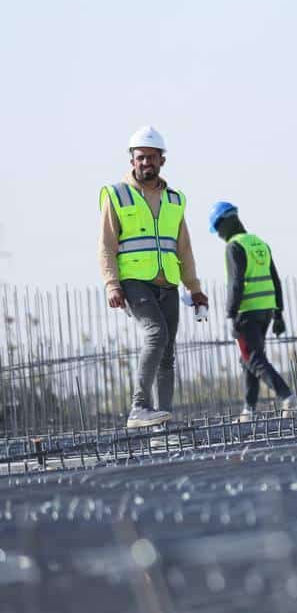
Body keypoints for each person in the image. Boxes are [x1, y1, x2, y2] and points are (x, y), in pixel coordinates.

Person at [99, 126, 208, 429]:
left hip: (167, 283)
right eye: (140, 157)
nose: (146, 162)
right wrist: (112, 284)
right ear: (132, 160)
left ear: (162, 160)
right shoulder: (117, 195)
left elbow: (184, 248)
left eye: (151, 157)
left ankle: (162, 422)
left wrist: (194, 288)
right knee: (156, 334)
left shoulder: (174, 199)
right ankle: (139, 407)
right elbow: (106, 245)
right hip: (134, 282)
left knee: (167, 352)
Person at [208, 201, 295, 420]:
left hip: (246, 312)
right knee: (248, 359)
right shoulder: (259, 243)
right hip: (265, 310)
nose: (218, 234)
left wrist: (231, 314)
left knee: (253, 358)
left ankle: (286, 395)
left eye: (217, 228)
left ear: (226, 222)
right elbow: (275, 280)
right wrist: (278, 313)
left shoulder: (234, 246)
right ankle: (249, 409)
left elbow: (235, 283)